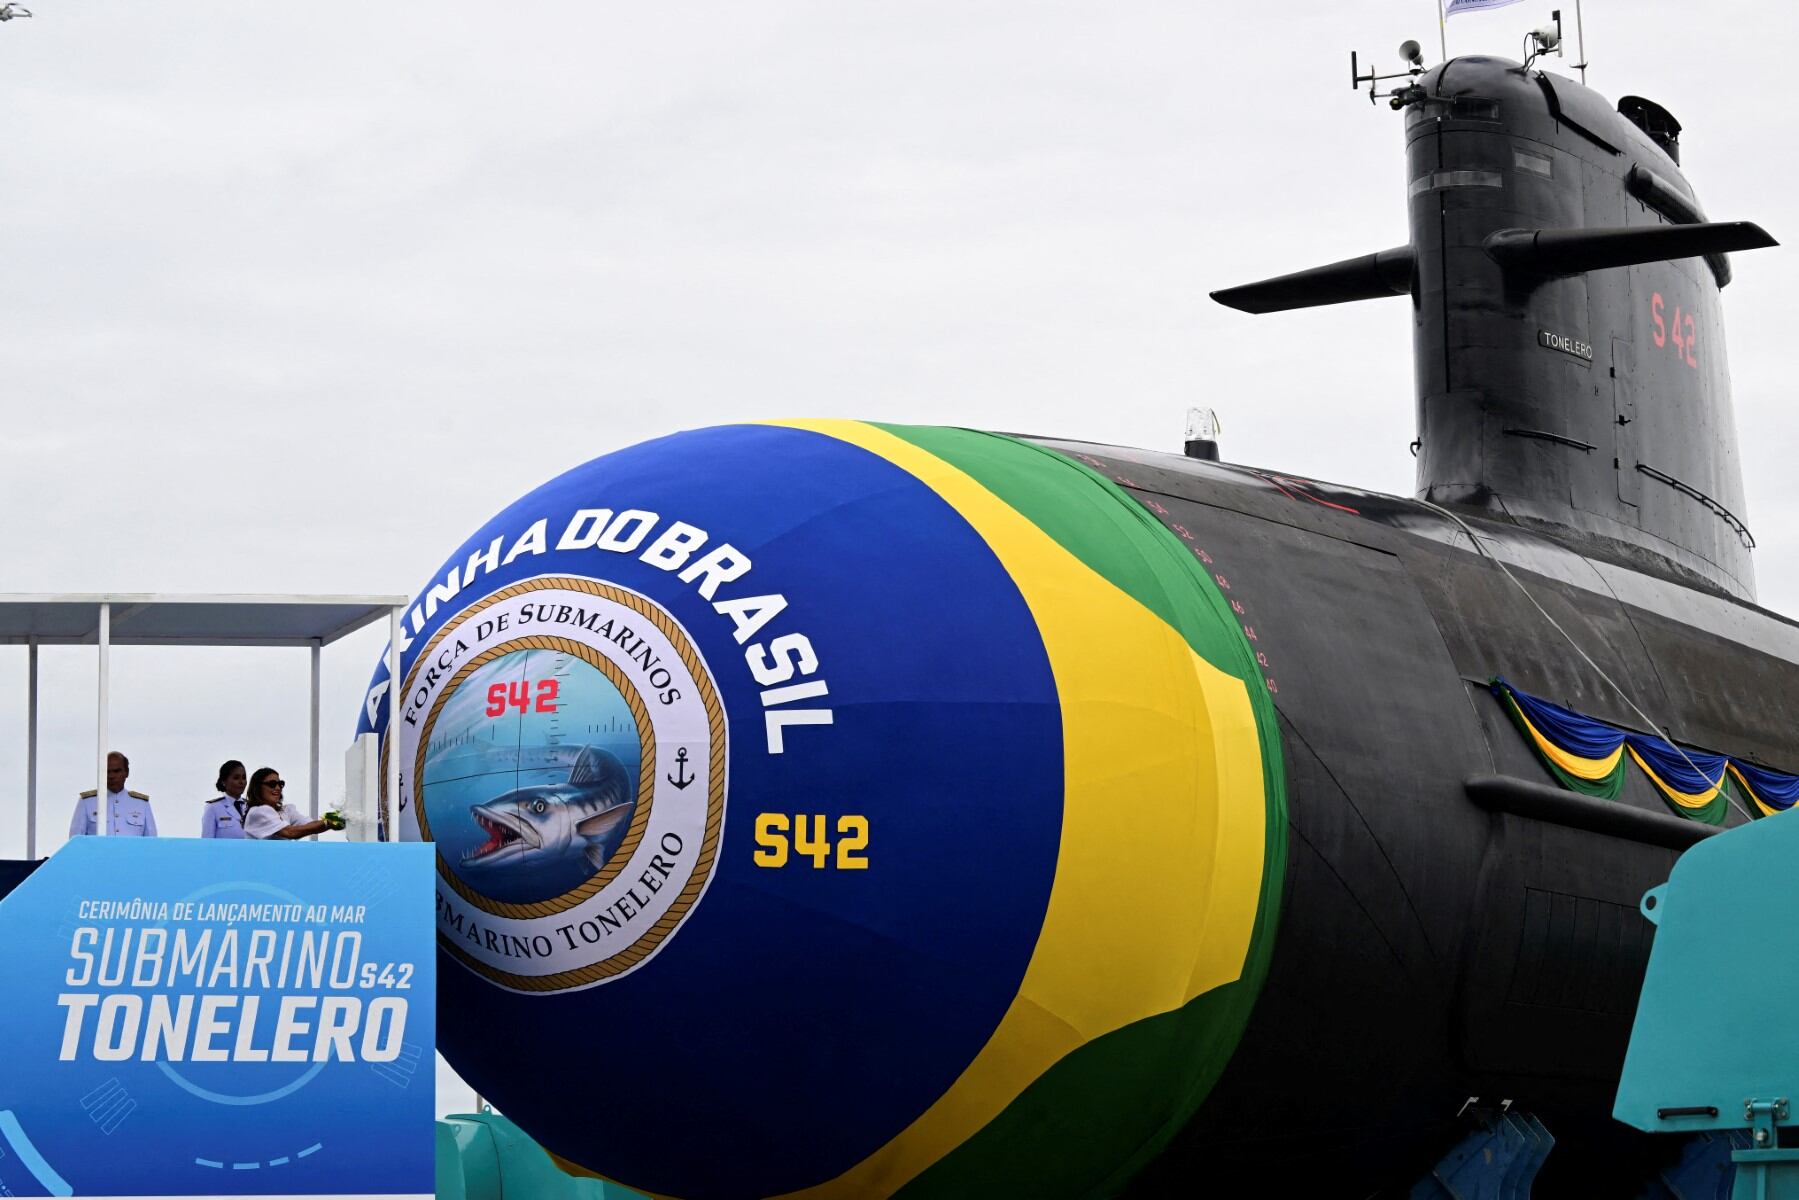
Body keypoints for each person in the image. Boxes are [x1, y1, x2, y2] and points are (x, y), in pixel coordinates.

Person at [69, 751, 157, 837]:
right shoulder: (87, 802)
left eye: (116, 771)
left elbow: (152, 842)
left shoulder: (141, 804)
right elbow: (75, 841)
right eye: (107, 771)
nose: (111, 776)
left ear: (126, 772)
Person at [240, 767, 343, 840]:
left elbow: (310, 825)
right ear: (258, 788)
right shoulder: (258, 812)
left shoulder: (286, 810)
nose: (278, 788)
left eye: (280, 784)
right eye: (272, 784)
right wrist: (328, 822)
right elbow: (290, 832)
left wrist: (339, 818)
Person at [200, 760, 248, 839]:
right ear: (224, 781)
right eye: (236, 778)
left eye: (244, 777)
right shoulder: (213, 808)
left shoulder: (251, 806)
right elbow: (207, 841)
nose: (241, 782)